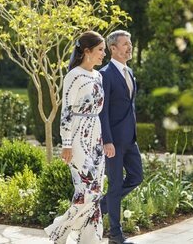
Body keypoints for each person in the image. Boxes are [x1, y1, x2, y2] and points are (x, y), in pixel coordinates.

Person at [45, 31, 106, 244]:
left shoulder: (98, 76)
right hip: (78, 136)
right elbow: (67, 112)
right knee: (88, 191)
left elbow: (99, 110)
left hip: (96, 135)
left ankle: (90, 240)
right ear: (87, 51)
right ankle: (58, 230)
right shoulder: (73, 76)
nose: (104, 54)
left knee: (97, 190)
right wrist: (67, 144)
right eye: (100, 50)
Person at [99, 30, 143, 244]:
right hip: (113, 142)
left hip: (130, 140)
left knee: (137, 177)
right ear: (113, 49)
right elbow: (102, 110)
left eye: (130, 43)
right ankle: (115, 235)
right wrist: (107, 140)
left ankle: (101, 206)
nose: (129, 47)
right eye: (125, 44)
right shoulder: (105, 74)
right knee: (115, 186)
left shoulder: (130, 72)